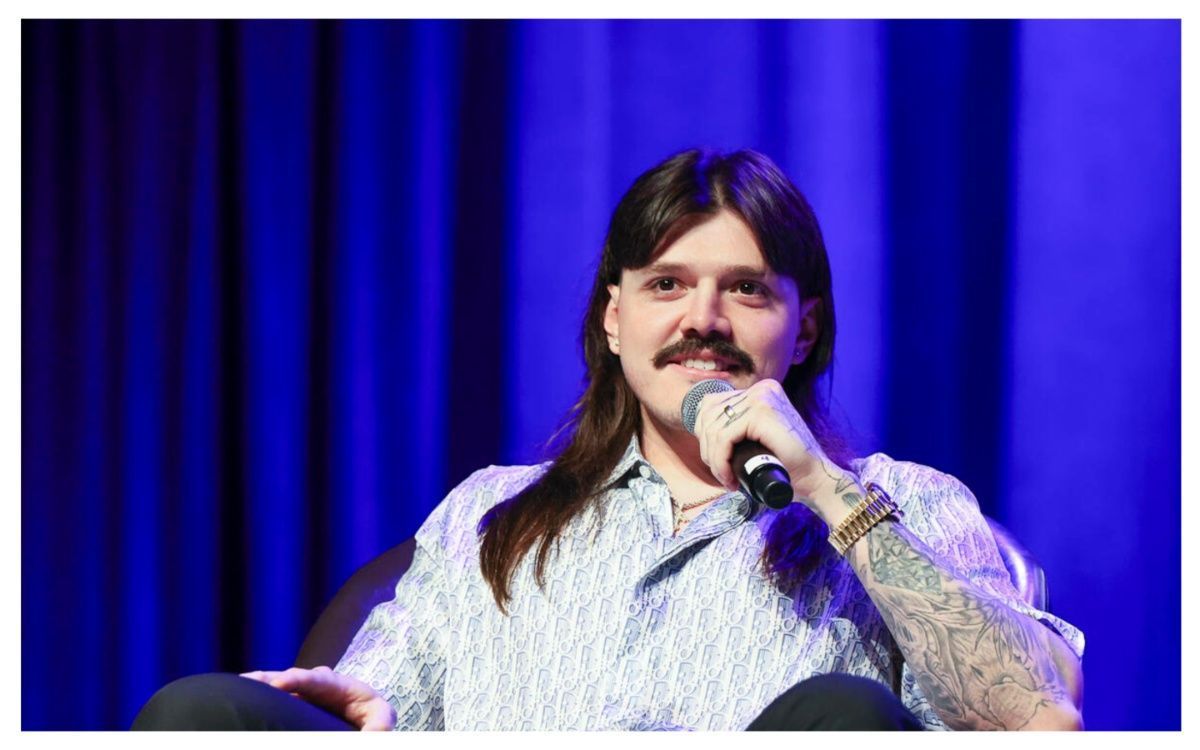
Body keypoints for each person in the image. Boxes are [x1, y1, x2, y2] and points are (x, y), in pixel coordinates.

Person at [133, 148, 1085, 732]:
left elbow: (1033, 720)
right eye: (667, 284)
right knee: (200, 713)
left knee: (841, 715)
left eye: (746, 288)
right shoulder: (491, 511)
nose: (704, 318)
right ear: (612, 320)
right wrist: (347, 704)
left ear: (806, 328)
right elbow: (383, 707)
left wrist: (826, 492)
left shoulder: (900, 502)